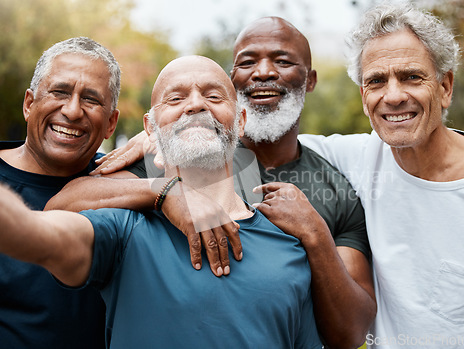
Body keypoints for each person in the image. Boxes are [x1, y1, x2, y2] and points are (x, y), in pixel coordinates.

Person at [45, 17, 377, 348]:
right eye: (247, 62)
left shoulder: (335, 188)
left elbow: (351, 333)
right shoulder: (179, 152)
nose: (263, 72)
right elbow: (69, 202)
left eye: (283, 61)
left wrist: (316, 235)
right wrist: (168, 188)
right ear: (234, 79)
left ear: (310, 80)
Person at [0, 55, 323, 348]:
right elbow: (37, 230)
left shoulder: (289, 247)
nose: (196, 105)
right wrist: (167, 191)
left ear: (240, 121)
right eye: (176, 98)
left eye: (213, 96)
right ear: (150, 131)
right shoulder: (123, 227)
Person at [296, 3, 464, 348]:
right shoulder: (354, 158)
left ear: (445, 87)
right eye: (376, 81)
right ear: (364, 98)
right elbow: (243, 143)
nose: (393, 96)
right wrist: (170, 190)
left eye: (411, 77)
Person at [0, 37, 120, 348]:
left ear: (111, 124)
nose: (72, 110)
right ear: (29, 104)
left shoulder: (126, 183)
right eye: (60, 92)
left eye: (91, 99)